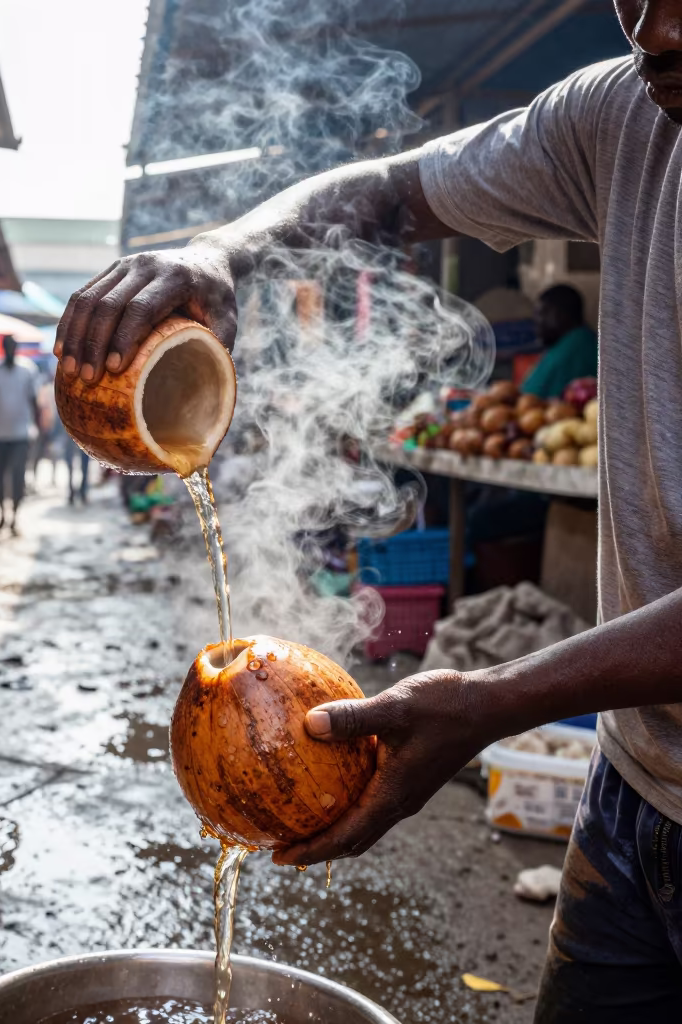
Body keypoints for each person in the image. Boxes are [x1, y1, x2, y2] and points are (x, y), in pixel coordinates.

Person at [55, 9, 682, 1019]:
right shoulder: (620, 115)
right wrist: (224, 250)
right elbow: (390, 195)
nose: (655, 29)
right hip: (635, 785)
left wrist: (492, 701)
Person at [0, 335, 41, 536]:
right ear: (3, 348)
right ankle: (2, 513)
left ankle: (15, 516)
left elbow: (34, 401)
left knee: (18, 477)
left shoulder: (28, 370)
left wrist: (39, 428)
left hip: (21, 434)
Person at [521, 284, 599, 399]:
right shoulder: (572, 341)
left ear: (563, 314)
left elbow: (532, 398)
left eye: (543, 313)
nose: (537, 321)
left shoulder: (574, 348)